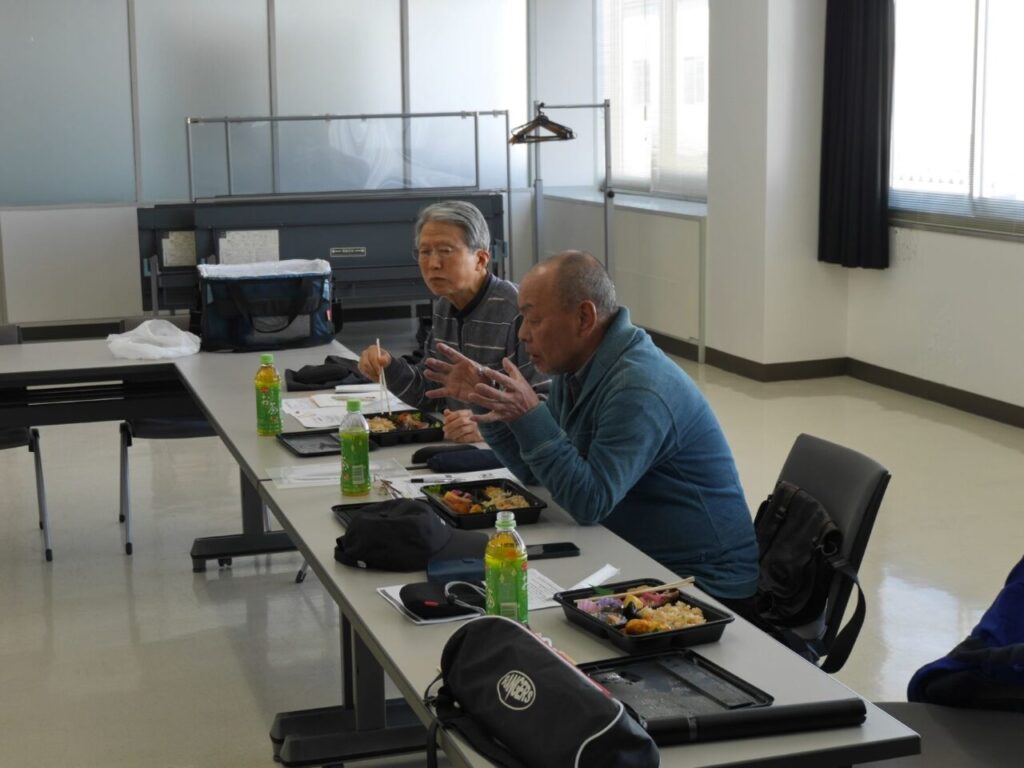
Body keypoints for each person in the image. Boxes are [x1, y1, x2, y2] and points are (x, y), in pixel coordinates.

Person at [422, 251, 759, 602]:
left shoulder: (638, 386)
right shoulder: (576, 367)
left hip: (702, 580)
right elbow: (534, 471)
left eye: (533, 320)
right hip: (632, 552)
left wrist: (530, 416)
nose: (522, 334)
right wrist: (488, 402)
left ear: (584, 317)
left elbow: (589, 503)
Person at [358, 200, 548, 443]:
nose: (433, 264)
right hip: (460, 443)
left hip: (512, 452)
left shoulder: (518, 312)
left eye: (445, 251)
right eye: (425, 252)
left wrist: (490, 428)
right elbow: (432, 393)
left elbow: (548, 404)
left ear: (481, 259)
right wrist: (388, 368)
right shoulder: (445, 306)